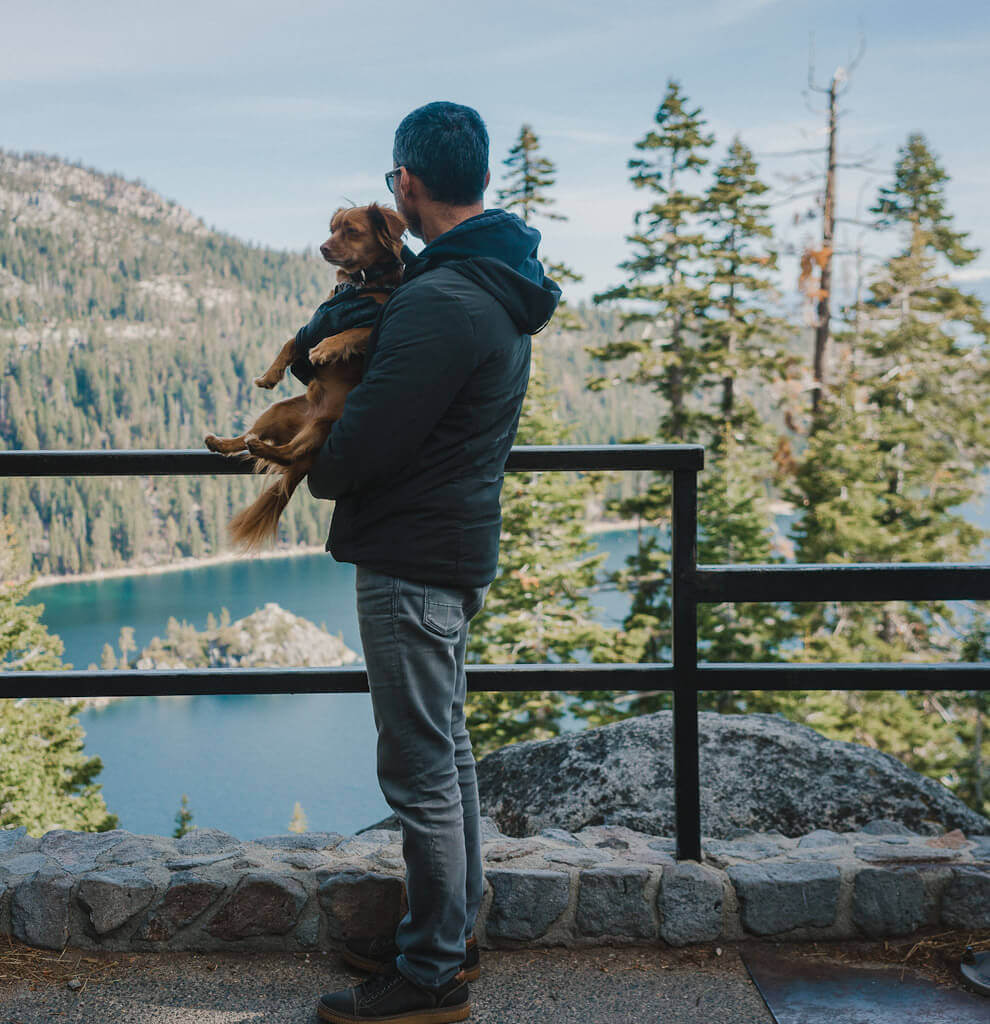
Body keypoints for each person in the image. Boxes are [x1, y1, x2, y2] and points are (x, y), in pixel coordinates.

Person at [308, 101, 561, 1023]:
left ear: (408, 185)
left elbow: (362, 448)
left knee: (418, 767)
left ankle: (429, 980)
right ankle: (454, 929)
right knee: (446, 753)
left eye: (392, 183)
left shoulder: (443, 298)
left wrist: (318, 461)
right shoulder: (493, 280)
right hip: (449, 543)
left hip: (413, 552)